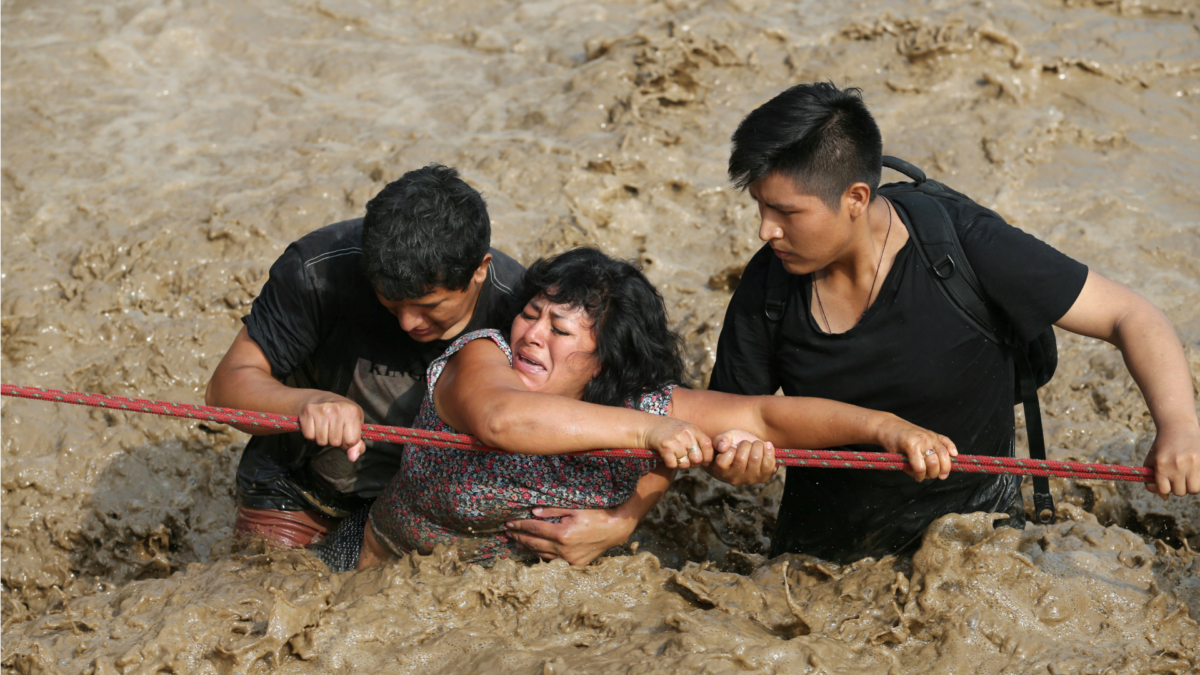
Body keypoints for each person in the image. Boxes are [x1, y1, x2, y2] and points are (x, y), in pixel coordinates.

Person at [706, 82, 1200, 563]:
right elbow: (725, 421)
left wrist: (1179, 427)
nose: (765, 229)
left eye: (786, 211)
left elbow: (1130, 314)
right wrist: (735, 465)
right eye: (760, 206)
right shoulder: (767, 287)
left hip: (976, 543)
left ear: (856, 198)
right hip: (821, 557)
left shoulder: (963, 246)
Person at [355, 247, 958, 569]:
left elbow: (766, 418)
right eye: (531, 314)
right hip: (381, 575)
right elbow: (503, 422)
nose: (531, 335)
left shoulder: (641, 402)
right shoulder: (479, 358)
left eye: (560, 330)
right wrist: (655, 432)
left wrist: (887, 428)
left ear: (604, 362)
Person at [205, 164, 531, 548]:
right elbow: (224, 389)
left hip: (442, 501)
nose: (409, 322)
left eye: (428, 305)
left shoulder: (521, 307)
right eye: (390, 301)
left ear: (480, 270)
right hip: (302, 489)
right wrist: (308, 402)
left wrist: (614, 518)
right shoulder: (316, 271)